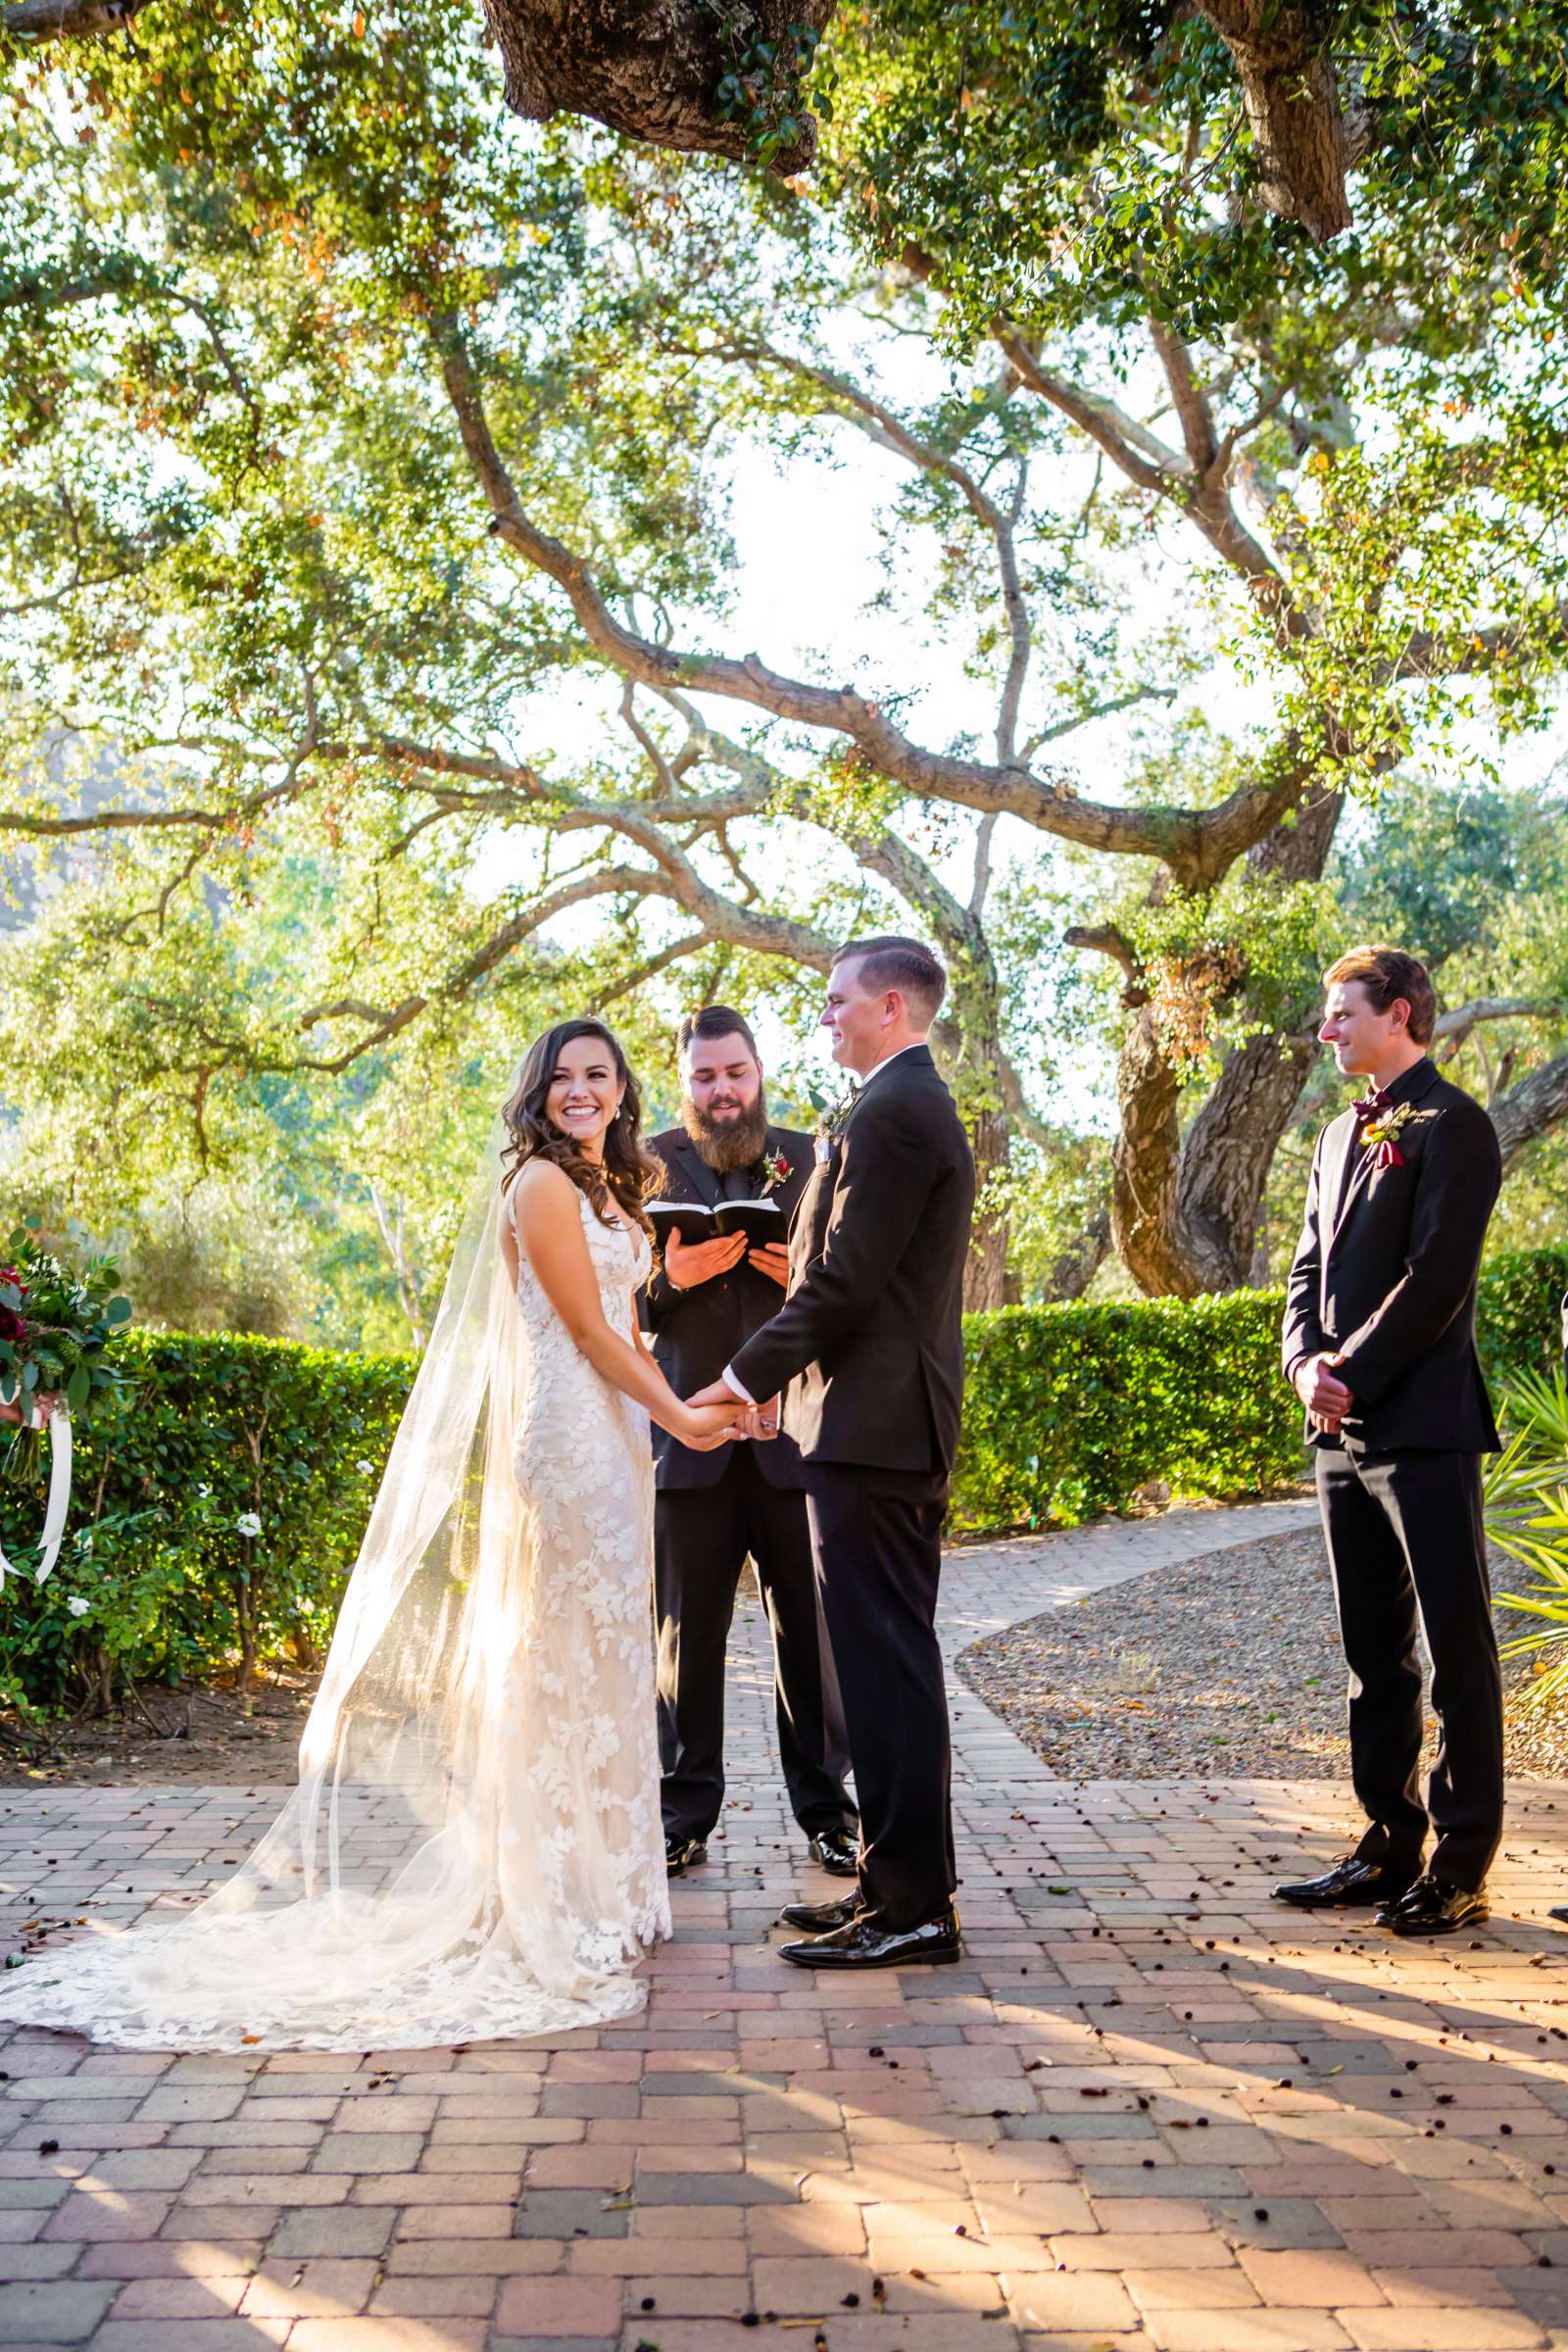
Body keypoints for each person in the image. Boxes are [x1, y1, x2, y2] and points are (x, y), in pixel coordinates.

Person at [0, 1019, 745, 2050]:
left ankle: (608, 1890)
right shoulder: (537, 1184)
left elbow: (626, 1332)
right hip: (572, 1447)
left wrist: (685, 1405)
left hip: (616, 1439)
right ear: (539, 1091)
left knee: (607, 1659)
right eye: (563, 1077)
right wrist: (682, 1418)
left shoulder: (612, 1190)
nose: (581, 1091)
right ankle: (550, 1896)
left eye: (598, 1076)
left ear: (623, 1091)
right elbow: (580, 1335)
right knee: (563, 1663)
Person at [691, 936, 976, 1971]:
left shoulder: (902, 1111)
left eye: (837, 1001)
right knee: (874, 1666)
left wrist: (735, 1382)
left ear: (892, 1007)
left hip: (881, 1428)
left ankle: (912, 1911)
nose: (826, 1016)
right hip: (849, 1423)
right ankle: (894, 1885)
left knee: (887, 1670)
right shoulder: (884, 1105)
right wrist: (786, 1399)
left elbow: (842, 1284)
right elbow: (839, 1277)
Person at [1277, 945, 1504, 1937]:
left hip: (1423, 1425)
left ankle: (1462, 1862)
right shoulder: (1333, 1136)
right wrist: (1301, 1368)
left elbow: (1438, 1277)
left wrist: (1350, 1371)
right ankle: (1386, 1839)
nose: (1325, 1031)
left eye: (1340, 1014)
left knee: (1456, 1650)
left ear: (1399, 1014)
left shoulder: (1456, 1126)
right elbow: (1303, 1273)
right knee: (1373, 1653)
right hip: (1336, 1430)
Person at [642, 1005, 858, 1880]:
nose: (722, 1091)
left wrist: (798, 1278)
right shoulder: (645, 1161)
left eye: (735, 1074)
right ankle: (682, 1814)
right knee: (682, 1642)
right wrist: (667, 1280)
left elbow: (853, 1295)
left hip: (788, 1440)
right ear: (682, 1082)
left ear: (759, 1071)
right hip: (686, 1440)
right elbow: (603, 1311)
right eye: (705, 1077)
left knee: (809, 1638)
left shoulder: (811, 1156)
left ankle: (827, 1813)